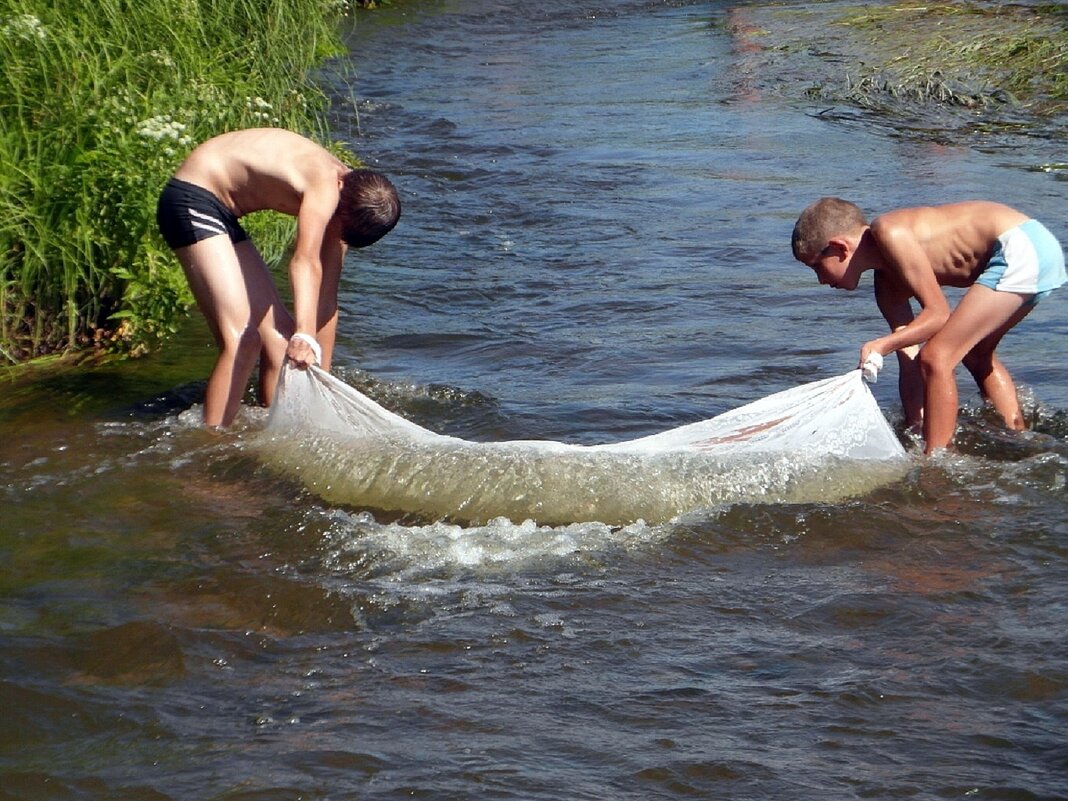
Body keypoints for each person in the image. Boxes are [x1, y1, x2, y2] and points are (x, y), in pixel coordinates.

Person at [156, 128, 401, 428]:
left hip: (223, 215)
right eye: (334, 225)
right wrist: (305, 335)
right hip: (192, 198)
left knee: (279, 340)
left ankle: (270, 431)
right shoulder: (326, 185)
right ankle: (209, 445)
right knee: (243, 340)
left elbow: (326, 298)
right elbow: (305, 261)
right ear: (341, 189)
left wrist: (319, 377)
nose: (332, 234)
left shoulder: (347, 208)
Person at [792, 197, 1065, 454]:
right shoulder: (886, 287)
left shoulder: (889, 230)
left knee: (937, 357)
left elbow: (938, 315)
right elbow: (909, 361)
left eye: (817, 267)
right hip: (1034, 252)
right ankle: (1016, 436)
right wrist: (915, 427)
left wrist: (881, 345)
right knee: (975, 354)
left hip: (1021, 247)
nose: (820, 281)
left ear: (840, 248)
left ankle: (938, 460)